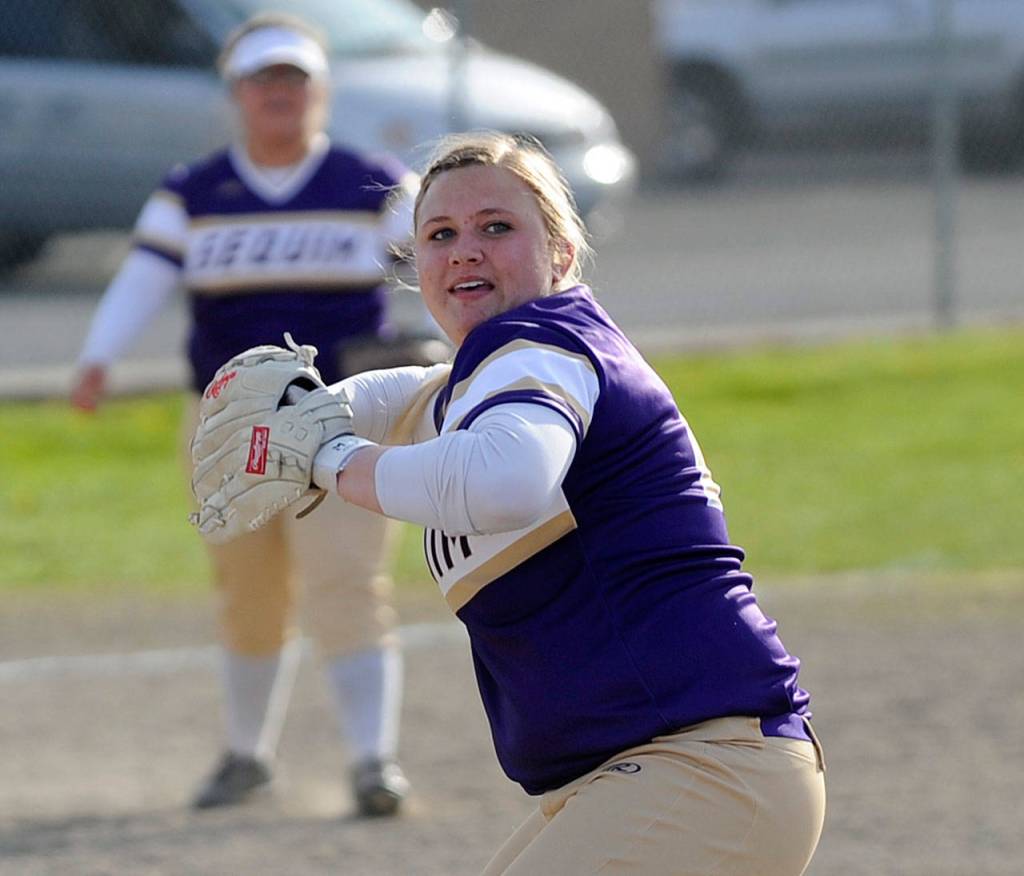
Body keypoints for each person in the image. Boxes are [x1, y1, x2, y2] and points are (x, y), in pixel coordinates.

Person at [195, 131, 827, 874]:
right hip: (665, 773)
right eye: (440, 234)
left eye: (497, 226)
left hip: (704, 767)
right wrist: (321, 408)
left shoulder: (546, 346)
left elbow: (504, 480)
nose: (465, 249)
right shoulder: (488, 377)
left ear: (560, 252)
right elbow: (413, 396)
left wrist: (333, 459)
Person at [70, 13, 422, 816]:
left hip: (343, 413)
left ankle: (374, 763)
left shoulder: (371, 182)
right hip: (229, 421)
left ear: (320, 92)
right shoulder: (193, 191)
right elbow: (143, 280)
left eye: (294, 80)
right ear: (236, 93)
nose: (280, 95)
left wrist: (454, 346)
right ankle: (247, 755)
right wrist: (98, 357)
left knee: (346, 580)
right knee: (248, 588)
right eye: (264, 80)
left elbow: (438, 262)